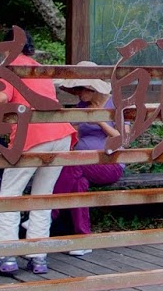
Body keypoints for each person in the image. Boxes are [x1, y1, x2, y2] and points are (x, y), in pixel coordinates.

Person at [0, 30, 75, 276]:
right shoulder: (38, 67)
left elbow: (1, 98)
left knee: (10, 195)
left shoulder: (9, 67)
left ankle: (6, 255)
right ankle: (38, 256)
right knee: (43, 196)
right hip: (61, 134)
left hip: (32, 135)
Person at [51, 63, 126, 258]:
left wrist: (99, 120)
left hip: (109, 163)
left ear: (92, 88)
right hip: (82, 163)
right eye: (75, 89)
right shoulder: (81, 107)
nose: (77, 93)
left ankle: (49, 212)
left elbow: (122, 139)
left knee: (73, 164)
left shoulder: (115, 104)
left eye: (80, 89)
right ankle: (83, 239)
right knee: (79, 184)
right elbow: (73, 132)